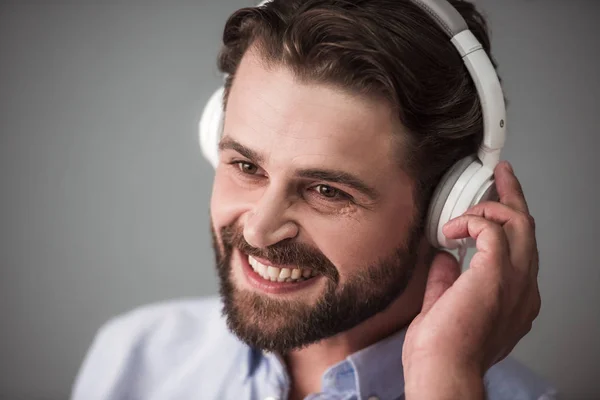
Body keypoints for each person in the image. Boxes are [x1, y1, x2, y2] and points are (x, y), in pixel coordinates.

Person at [71, 0, 558, 399]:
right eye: (246, 167)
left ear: (447, 208)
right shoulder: (133, 360)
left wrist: (443, 380)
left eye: (327, 190)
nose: (259, 231)